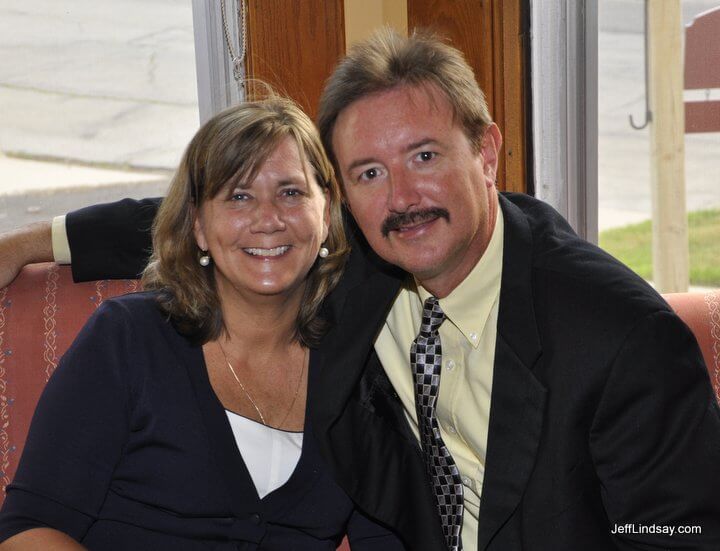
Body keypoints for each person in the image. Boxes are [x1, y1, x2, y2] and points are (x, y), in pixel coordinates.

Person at [2, 28, 720, 550]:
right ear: (346, 195)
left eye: (425, 155)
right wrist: (33, 241)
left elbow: (679, 535)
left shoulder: (621, 336)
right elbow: (227, 223)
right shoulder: (359, 263)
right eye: (370, 172)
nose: (401, 196)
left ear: (489, 152)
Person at [0, 96, 405, 549]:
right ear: (197, 225)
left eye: (291, 192)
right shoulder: (128, 339)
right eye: (238, 196)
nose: (268, 219)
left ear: (326, 212)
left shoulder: (366, 367)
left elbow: (388, 536)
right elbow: (29, 530)